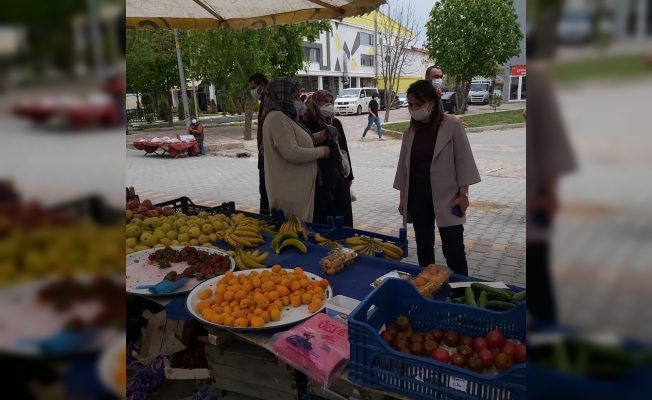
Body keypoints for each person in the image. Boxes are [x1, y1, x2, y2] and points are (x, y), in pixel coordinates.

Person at [393, 80, 481, 275]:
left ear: (432, 102)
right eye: (411, 105)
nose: (414, 109)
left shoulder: (452, 125)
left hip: (448, 196)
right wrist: (402, 198)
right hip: (418, 196)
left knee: (454, 249)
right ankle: (427, 289)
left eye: (419, 104)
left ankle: (461, 292)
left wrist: (463, 194)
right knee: (424, 248)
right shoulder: (410, 132)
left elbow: (463, 159)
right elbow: (403, 167)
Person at [526, 32, 576, 323]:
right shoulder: (540, 77)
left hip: (539, 190)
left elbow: (553, 141)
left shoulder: (539, 78)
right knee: (538, 267)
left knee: (538, 267)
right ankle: (547, 326)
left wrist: (549, 193)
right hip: (539, 187)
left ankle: (548, 328)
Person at [262, 77, 331, 222]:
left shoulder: (284, 116)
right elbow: (292, 152)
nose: (298, 101)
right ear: (282, 95)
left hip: (297, 190)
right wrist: (320, 152)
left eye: (299, 97)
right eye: (294, 97)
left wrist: (320, 136)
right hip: (290, 193)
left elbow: (298, 140)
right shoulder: (277, 118)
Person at [303, 90, 355, 227]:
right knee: (323, 217)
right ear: (315, 103)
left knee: (342, 215)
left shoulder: (335, 122)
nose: (329, 105)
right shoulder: (306, 122)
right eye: (325, 101)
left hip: (337, 176)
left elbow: (343, 149)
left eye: (330, 102)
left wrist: (349, 176)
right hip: (318, 178)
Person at [249, 73, 270, 215]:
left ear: (262, 86)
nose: (252, 91)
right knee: (264, 191)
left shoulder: (268, 102)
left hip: (267, 156)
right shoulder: (263, 102)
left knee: (266, 191)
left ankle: (266, 220)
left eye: (253, 87)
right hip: (263, 154)